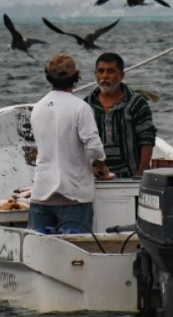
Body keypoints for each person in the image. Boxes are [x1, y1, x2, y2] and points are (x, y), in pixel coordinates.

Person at [29, 53, 111, 234]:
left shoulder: (38, 108)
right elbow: (95, 147)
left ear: (48, 77)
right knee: (75, 255)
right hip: (73, 195)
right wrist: (102, 167)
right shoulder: (80, 107)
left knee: (42, 253)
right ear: (76, 77)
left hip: (41, 193)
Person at [88, 51, 156, 180]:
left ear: (122, 75)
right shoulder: (86, 105)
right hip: (95, 179)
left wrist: (141, 174)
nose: (105, 76)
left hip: (131, 177)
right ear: (95, 74)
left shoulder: (136, 103)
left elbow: (147, 140)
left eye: (111, 71)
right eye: (101, 71)